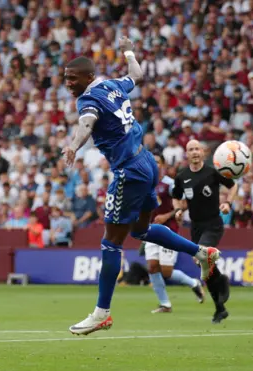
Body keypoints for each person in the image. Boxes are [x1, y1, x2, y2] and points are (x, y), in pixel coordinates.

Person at [62, 37, 220, 336]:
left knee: (111, 242)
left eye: (73, 78)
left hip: (128, 171)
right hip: (146, 163)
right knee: (141, 231)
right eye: (66, 78)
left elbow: (86, 123)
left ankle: (101, 313)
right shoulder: (111, 85)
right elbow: (136, 75)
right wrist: (129, 51)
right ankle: (201, 253)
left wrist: (73, 146)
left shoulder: (88, 99)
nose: (69, 83)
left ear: (88, 77)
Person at [171, 140, 237, 323]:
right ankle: (220, 308)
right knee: (204, 268)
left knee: (200, 257)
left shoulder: (213, 172)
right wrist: (177, 210)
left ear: (203, 152)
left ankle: (222, 281)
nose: (194, 152)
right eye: (190, 149)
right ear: (187, 154)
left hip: (213, 224)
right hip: (196, 226)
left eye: (197, 149)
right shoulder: (182, 176)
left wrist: (228, 203)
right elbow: (176, 197)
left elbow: (233, 186)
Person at [140, 154, 204, 313]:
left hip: (168, 230)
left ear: (163, 165)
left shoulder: (169, 184)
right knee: (152, 266)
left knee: (166, 271)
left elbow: (183, 204)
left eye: (157, 162)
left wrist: (167, 216)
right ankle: (165, 304)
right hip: (150, 230)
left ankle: (193, 283)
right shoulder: (145, 183)